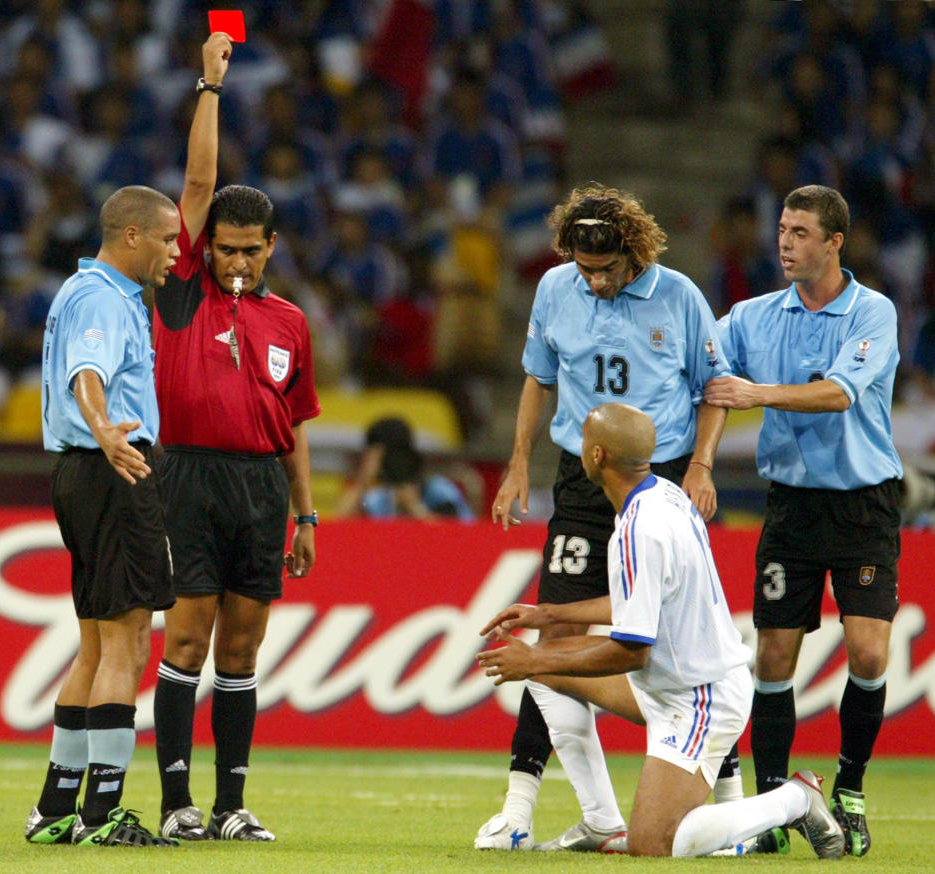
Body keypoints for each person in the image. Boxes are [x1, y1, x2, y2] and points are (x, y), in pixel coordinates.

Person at [476, 183, 738, 852]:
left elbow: (715, 388)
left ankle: (735, 805)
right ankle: (552, 811)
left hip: (662, 477)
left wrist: (702, 468)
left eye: (607, 269)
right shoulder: (555, 288)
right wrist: (516, 464)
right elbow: (539, 378)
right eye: (584, 267)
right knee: (552, 640)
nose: (594, 281)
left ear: (634, 251)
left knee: (683, 646)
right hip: (581, 478)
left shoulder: (678, 295)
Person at [476, 402, 845, 858]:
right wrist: (547, 615)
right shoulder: (663, 496)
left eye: (584, 437)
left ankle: (794, 800)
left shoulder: (639, 528)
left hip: (697, 697)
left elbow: (633, 652)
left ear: (597, 457)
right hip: (679, 684)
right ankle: (602, 823)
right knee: (549, 671)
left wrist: (533, 656)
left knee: (654, 843)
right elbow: (641, 602)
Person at [151, 33, 320, 842]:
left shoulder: (289, 320)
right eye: (226, 251)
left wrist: (309, 515)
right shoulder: (182, 289)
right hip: (185, 475)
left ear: (273, 248)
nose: (239, 265)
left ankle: (228, 808)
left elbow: (294, 427)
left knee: (243, 651)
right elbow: (197, 180)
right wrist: (211, 87)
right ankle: (176, 804)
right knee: (186, 635)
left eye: (253, 252)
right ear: (203, 246)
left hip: (260, 489)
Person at [704, 184, 902, 858]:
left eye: (799, 232)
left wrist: (756, 393)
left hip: (862, 502)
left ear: (834, 241)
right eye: (782, 229)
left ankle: (847, 790)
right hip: (790, 503)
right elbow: (701, 366)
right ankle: (768, 807)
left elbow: (840, 394)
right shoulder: (753, 317)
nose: (784, 242)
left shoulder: (871, 312)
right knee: (775, 655)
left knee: (870, 652)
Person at [27, 185, 181, 847]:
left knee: (94, 645)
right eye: (170, 239)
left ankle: (56, 808)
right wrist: (109, 433)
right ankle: (103, 815)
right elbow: (87, 373)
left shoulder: (83, 292)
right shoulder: (101, 299)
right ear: (132, 238)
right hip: (112, 467)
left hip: (83, 472)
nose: (178, 252)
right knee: (127, 643)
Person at [335, 416, 476, 521]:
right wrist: (363, 479)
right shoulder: (378, 498)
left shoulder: (439, 490)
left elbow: (458, 536)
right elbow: (339, 524)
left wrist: (415, 507)